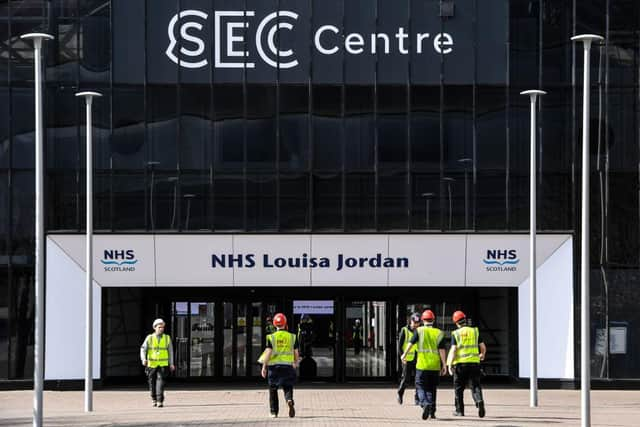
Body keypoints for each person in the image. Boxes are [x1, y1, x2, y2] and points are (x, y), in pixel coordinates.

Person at [401, 309, 447, 419]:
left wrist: (404, 355)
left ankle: (424, 403)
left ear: (422, 320)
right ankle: (432, 411)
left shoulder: (419, 331)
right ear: (433, 320)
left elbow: (410, 343)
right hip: (435, 366)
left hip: (422, 366)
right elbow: (442, 350)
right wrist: (444, 365)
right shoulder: (439, 333)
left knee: (420, 386)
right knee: (432, 389)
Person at [446, 310, 487, 418]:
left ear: (456, 322)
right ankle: (479, 401)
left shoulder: (456, 333)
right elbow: (482, 347)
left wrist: (449, 364)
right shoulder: (475, 331)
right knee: (475, 386)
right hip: (474, 363)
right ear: (465, 320)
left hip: (460, 365)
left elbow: (453, 350)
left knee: (459, 389)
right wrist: (482, 354)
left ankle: (460, 411)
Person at [261, 313, 300, 418]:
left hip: (274, 367)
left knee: (273, 389)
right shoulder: (292, 337)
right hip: (288, 366)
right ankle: (289, 400)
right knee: (288, 386)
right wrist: (295, 363)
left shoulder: (271, 337)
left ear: (274, 324)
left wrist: (264, 367)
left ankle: (273, 412)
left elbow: (268, 353)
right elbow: (296, 352)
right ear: (285, 323)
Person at [140, 318, 175, 407]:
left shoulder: (167, 338)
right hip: (151, 364)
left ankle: (160, 400)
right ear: (154, 328)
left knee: (161, 382)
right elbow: (143, 349)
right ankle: (153, 399)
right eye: (159, 327)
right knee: (152, 382)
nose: (161, 329)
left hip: (163, 364)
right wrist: (143, 359)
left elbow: (170, 351)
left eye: (162, 327)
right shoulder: (149, 338)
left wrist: (171, 363)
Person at [396, 312, 420, 405]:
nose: (416, 325)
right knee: (406, 379)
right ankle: (400, 393)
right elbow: (400, 346)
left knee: (418, 379)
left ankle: (417, 398)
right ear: (411, 321)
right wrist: (402, 357)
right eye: (414, 323)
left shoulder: (419, 331)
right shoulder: (404, 330)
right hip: (407, 359)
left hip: (417, 358)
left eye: (418, 323)